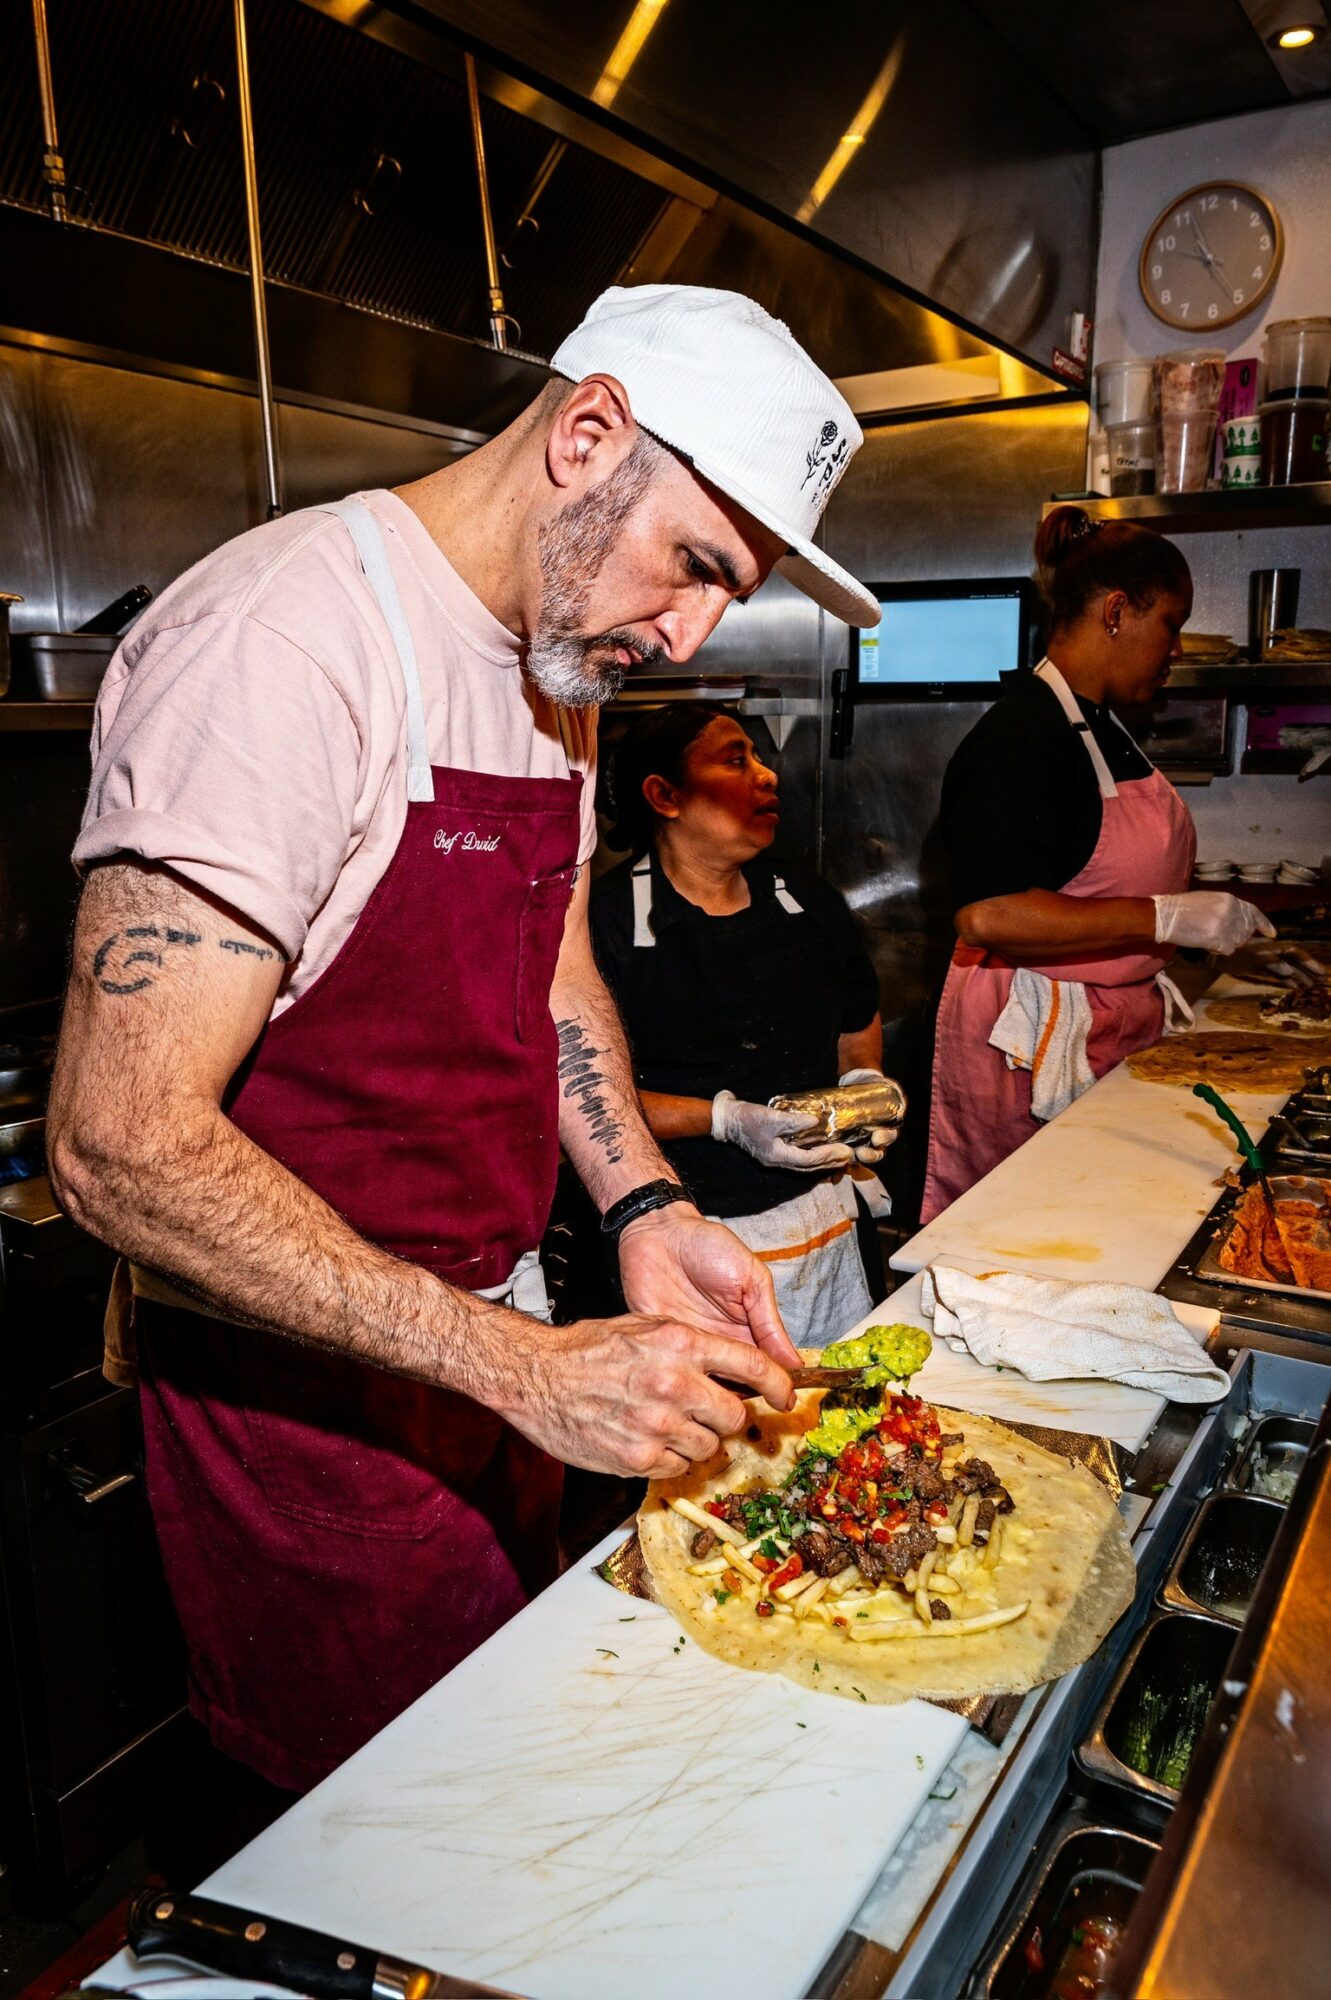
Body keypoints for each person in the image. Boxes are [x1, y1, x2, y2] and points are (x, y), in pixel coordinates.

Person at [46, 284, 881, 1793]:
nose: (690, 633)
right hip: (304, 1406)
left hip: (492, 1351)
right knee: (386, 1851)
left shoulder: (557, 658)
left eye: (728, 587)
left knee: (526, 1794)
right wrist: (512, 1363)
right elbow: (117, 1146)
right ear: (583, 436)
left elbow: (551, 970)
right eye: (691, 566)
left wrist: (641, 1204)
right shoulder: (286, 648)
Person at [921, 504, 1274, 1222]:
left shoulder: (1105, 726)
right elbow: (991, 913)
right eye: (1170, 624)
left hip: (1108, 1025)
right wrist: (1168, 918)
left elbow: (1110, 878)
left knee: (1096, 1219)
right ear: (1117, 611)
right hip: (1028, 1043)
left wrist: (1220, 927)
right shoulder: (1022, 739)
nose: (1175, 648)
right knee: (1015, 1234)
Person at [591, 706, 898, 1344]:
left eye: (760, 758)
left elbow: (856, 1014)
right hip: (689, 1239)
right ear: (665, 796)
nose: (767, 777)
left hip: (830, 1220)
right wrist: (727, 1119)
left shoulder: (807, 898)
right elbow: (589, 1101)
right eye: (737, 761)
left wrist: (864, 1083)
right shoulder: (607, 926)